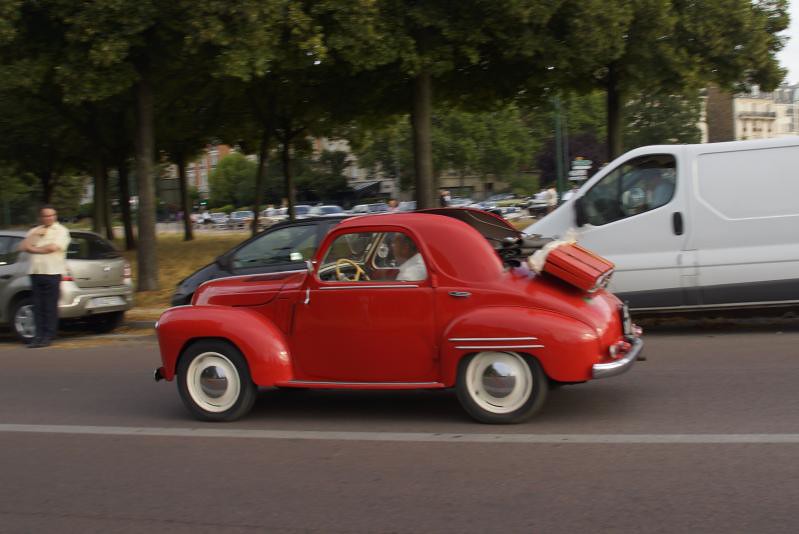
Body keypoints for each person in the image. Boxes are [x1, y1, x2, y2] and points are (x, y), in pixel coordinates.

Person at [18, 205, 71, 348]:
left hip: (52, 272)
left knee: (49, 306)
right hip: (35, 272)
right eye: (46, 216)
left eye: (52, 215)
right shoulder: (35, 230)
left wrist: (32, 249)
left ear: (55, 216)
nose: (49, 218)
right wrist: (36, 235)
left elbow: (52, 248)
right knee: (38, 306)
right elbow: (22, 246)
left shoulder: (61, 231)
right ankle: (38, 337)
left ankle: (48, 336)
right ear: (41, 217)